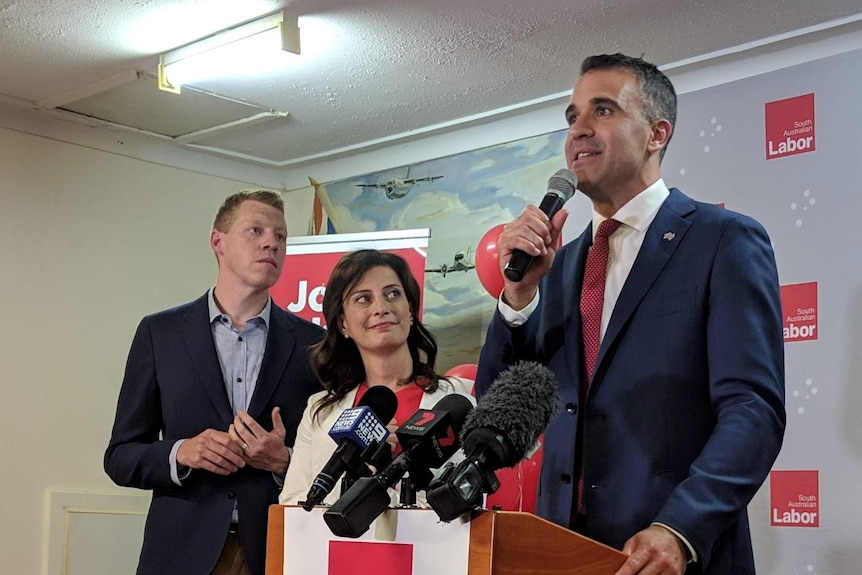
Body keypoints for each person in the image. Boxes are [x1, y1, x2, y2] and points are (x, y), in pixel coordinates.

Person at [475, 54, 785, 575]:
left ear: (656, 133)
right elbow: (497, 407)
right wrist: (519, 295)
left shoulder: (722, 240)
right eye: (572, 117)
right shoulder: (558, 264)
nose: (579, 130)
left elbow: (752, 410)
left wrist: (681, 528)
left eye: (602, 110)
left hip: (671, 553)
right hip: (564, 552)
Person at [105, 190, 324, 575]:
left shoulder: (314, 345)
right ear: (217, 242)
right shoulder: (161, 333)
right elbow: (120, 456)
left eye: (281, 236)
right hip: (180, 553)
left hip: (278, 550)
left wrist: (284, 461)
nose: (271, 242)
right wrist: (181, 452)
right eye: (255, 230)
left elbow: (335, 461)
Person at [280, 249, 473, 507]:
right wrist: (358, 473)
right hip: (336, 548)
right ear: (342, 324)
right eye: (363, 299)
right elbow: (292, 504)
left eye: (393, 294)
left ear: (410, 309)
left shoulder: (457, 400)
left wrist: (390, 477)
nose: (381, 308)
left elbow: (470, 504)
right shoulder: (320, 409)